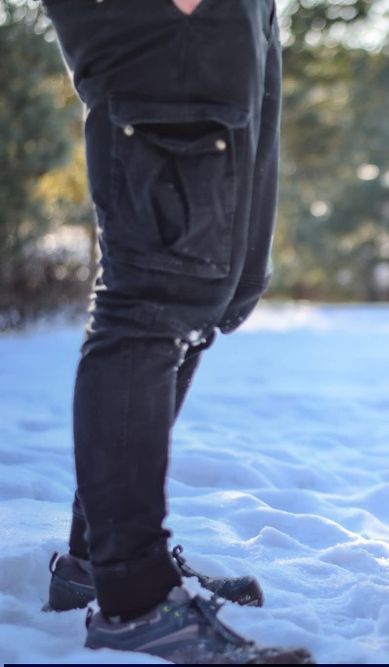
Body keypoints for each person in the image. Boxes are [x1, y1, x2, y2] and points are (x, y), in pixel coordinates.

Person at [40, 0, 312, 662]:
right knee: (155, 294)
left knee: (216, 284)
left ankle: (95, 557)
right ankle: (134, 597)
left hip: (237, 21)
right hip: (166, 21)